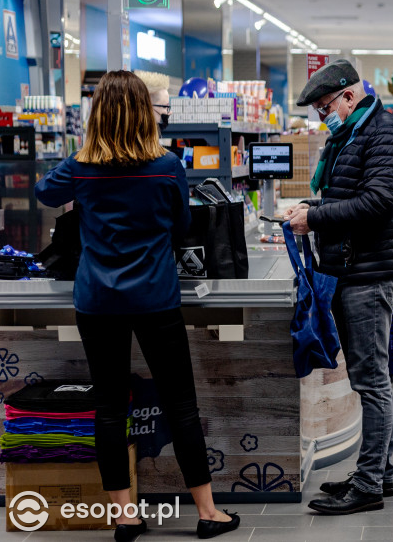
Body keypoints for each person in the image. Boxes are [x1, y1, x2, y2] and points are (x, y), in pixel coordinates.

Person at [34, 71, 239, 542]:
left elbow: (46, 193)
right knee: (181, 405)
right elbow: (182, 222)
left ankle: (125, 518)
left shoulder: (81, 166)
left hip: (97, 300)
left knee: (108, 408)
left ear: (98, 114)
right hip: (155, 297)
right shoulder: (167, 165)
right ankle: (208, 513)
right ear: (147, 114)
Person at [285, 61, 393, 516]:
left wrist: (315, 218)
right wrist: (312, 206)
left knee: (371, 382)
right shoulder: (354, 135)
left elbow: (378, 202)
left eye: (325, 107)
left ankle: (369, 485)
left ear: (348, 96)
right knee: (370, 379)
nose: (324, 117)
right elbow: (349, 197)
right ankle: (379, 472)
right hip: (351, 270)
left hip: (370, 275)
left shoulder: (386, 134)